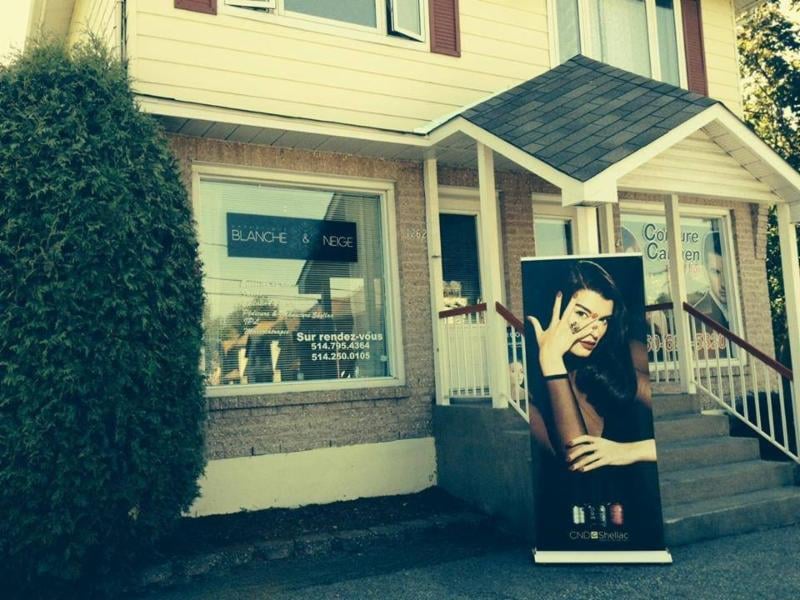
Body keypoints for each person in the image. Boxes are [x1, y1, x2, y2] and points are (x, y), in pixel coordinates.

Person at [526, 260, 663, 550]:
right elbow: (579, 459)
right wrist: (551, 360)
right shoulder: (533, 396)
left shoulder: (623, 358)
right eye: (582, 314)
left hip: (644, 525)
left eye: (603, 320)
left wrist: (628, 451)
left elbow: (676, 430)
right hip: (585, 532)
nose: (594, 330)